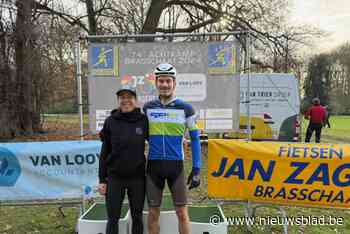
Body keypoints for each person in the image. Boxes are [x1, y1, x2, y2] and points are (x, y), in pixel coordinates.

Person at [143, 63, 202, 234]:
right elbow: (143, 135)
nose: (164, 84)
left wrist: (197, 168)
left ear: (174, 83)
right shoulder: (148, 108)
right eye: (161, 81)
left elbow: (195, 138)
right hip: (153, 166)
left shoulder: (186, 108)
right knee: (153, 213)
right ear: (156, 83)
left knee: (182, 213)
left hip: (176, 166)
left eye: (168, 81)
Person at [98, 88, 148, 234]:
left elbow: (157, 140)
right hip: (114, 178)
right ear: (118, 101)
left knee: (137, 217)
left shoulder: (143, 120)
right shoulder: (110, 121)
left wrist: (178, 140)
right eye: (122, 97)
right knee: (113, 218)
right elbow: (104, 152)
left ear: (135, 100)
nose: (126, 100)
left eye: (129, 97)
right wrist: (102, 179)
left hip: (137, 178)